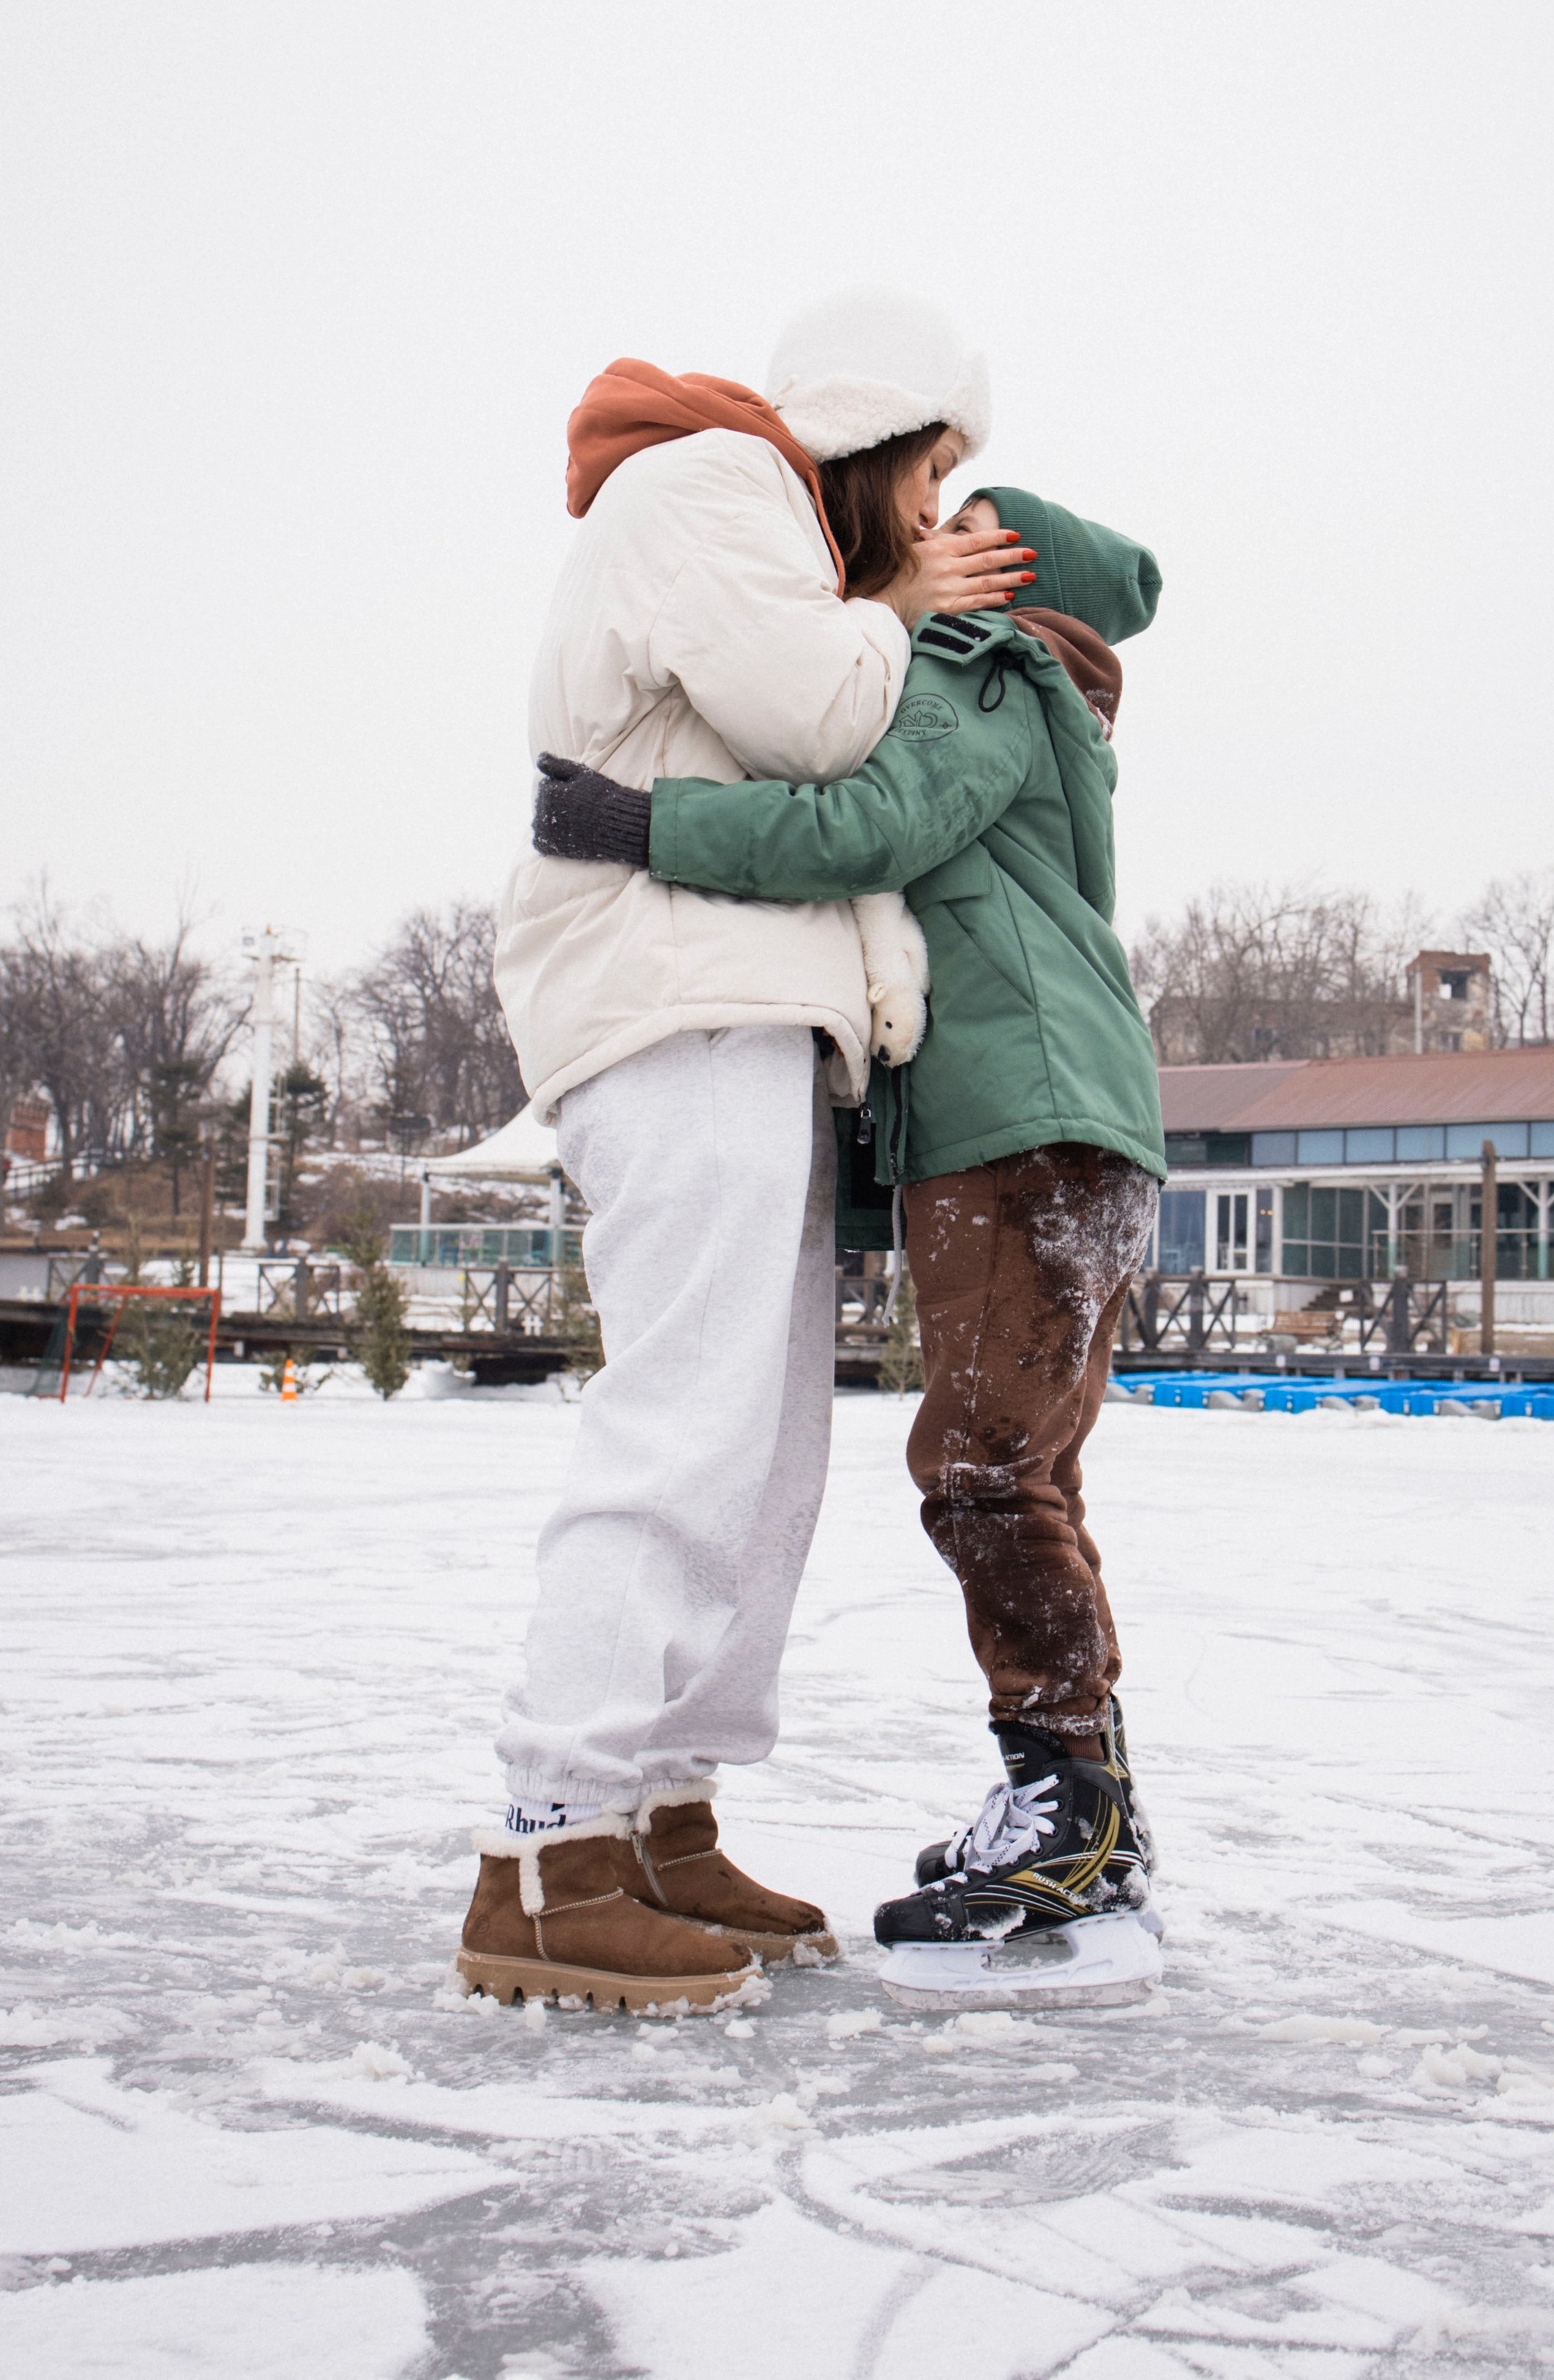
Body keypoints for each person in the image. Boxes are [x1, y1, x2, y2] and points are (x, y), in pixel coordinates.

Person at [457, 290, 1029, 2016]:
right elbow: (819, 724)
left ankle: (660, 1811)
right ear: (878, 429)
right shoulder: (711, 485)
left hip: (746, 1012)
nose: (940, 516)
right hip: (669, 1001)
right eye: (936, 470)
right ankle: (550, 1846)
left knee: (764, 1447)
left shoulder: (782, 539)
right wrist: (904, 612)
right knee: (684, 1417)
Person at [532, 479, 1169, 1956]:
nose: (926, 540)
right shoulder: (1041, 700)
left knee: (982, 1470)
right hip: (1060, 1126)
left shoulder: (978, 669)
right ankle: (1086, 1806)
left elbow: (869, 824)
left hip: (1025, 1129)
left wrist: (642, 819)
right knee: (1020, 1471)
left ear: (1002, 575)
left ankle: (1068, 1803)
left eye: (963, 529)